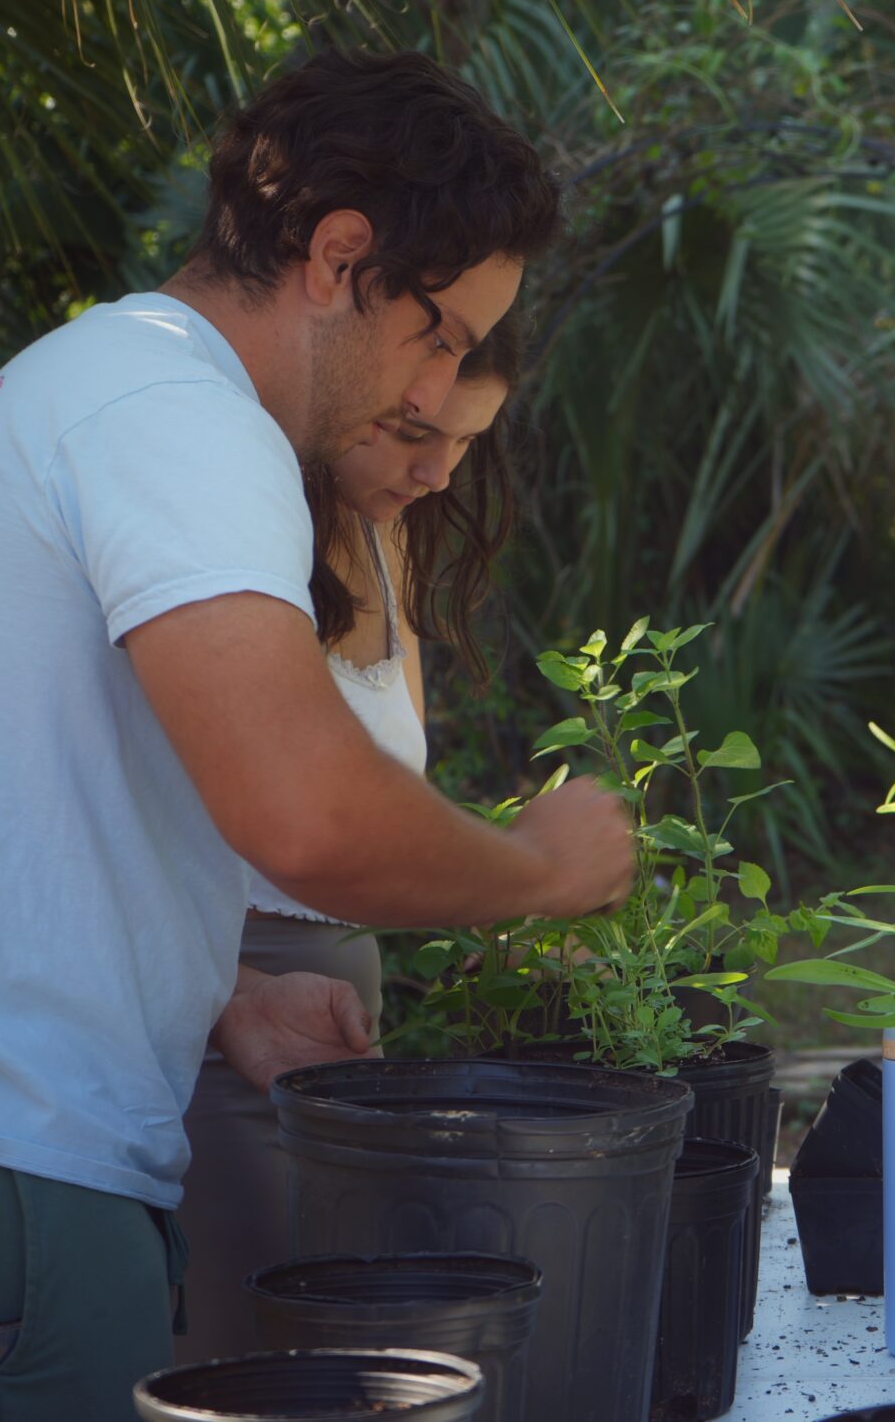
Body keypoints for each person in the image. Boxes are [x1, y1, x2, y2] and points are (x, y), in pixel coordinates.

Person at [0, 51, 635, 1420]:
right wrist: (541, 868)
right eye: (441, 331)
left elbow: (6, 788)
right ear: (339, 257)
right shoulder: (183, 419)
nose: (440, 386)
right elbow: (304, 814)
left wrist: (215, 990)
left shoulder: (104, 380)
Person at [178, 313, 526, 1358]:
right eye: (415, 432)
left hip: (332, 1021)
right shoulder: (237, 534)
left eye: (469, 442)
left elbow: (385, 797)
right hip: (224, 1015)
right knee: (246, 1361)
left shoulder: (391, 530)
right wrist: (533, 876)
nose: (437, 472)